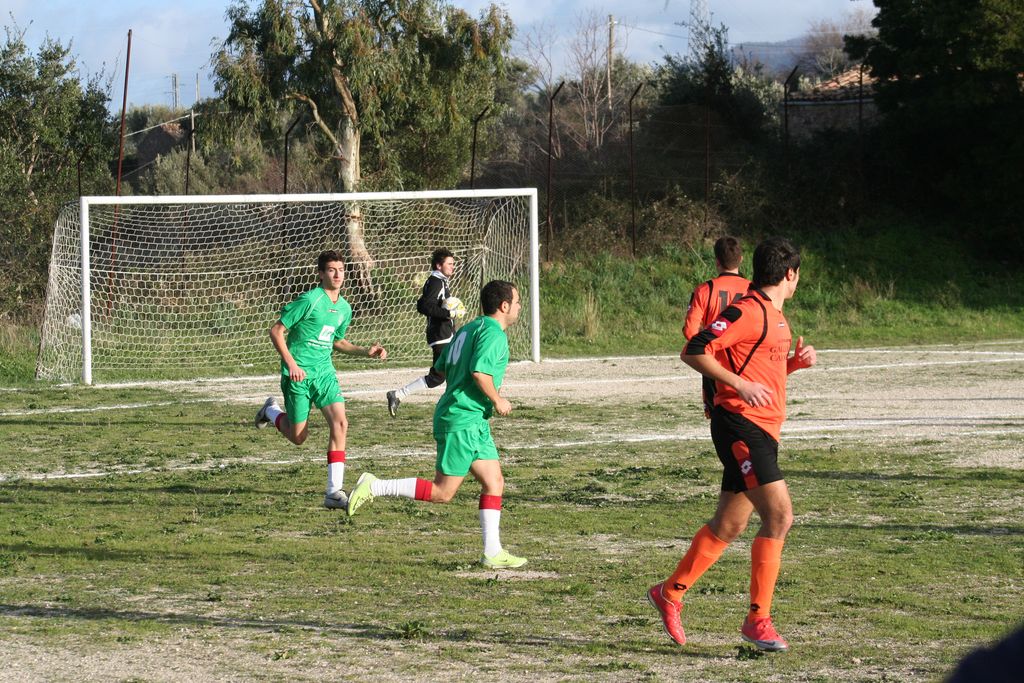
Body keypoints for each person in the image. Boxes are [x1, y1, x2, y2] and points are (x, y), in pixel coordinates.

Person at [648, 236, 817, 652]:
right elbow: (694, 349)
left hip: (761, 428)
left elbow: (759, 373)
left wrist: (791, 366)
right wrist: (738, 384)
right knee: (779, 516)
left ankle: (669, 593)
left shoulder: (775, 315)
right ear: (790, 274)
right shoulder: (748, 310)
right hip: (741, 426)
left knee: (730, 524)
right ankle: (758, 620)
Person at [347, 280, 527, 570]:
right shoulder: (494, 335)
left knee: (494, 482)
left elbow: (441, 368)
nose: (519, 306)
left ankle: (492, 552)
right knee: (443, 492)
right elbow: (480, 373)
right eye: (517, 301)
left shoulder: (468, 328)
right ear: (504, 306)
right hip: (462, 419)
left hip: (472, 420)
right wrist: (498, 400)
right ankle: (375, 486)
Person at [254, 250, 388, 510]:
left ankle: (333, 492)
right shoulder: (310, 300)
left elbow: (337, 341)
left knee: (341, 423)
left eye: (341, 270)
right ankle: (270, 411)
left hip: (324, 374)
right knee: (298, 437)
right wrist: (291, 364)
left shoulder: (344, 308)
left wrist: (365, 351)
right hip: (299, 375)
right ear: (321, 273)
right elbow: (276, 331)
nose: (337, 275)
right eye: (331, 270)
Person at [386, 248, 465, 417]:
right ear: (439, 265)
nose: (453, 267)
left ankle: (399, 395)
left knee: (447, 373)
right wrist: (449, 313)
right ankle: (399, 394)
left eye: (453, 264)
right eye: (449, 264)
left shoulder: (439, 281)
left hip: (445, 334)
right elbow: (424, 306)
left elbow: (425, 303)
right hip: (441, 336)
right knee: (443, 374)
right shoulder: (436, 281)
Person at [683, 236, 750, 419]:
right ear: (741, 259)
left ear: (717, 261)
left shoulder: (705, 290)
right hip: (746, 362)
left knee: (718, 418)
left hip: (714, 365)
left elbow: (690, 331)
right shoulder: (753, 289)